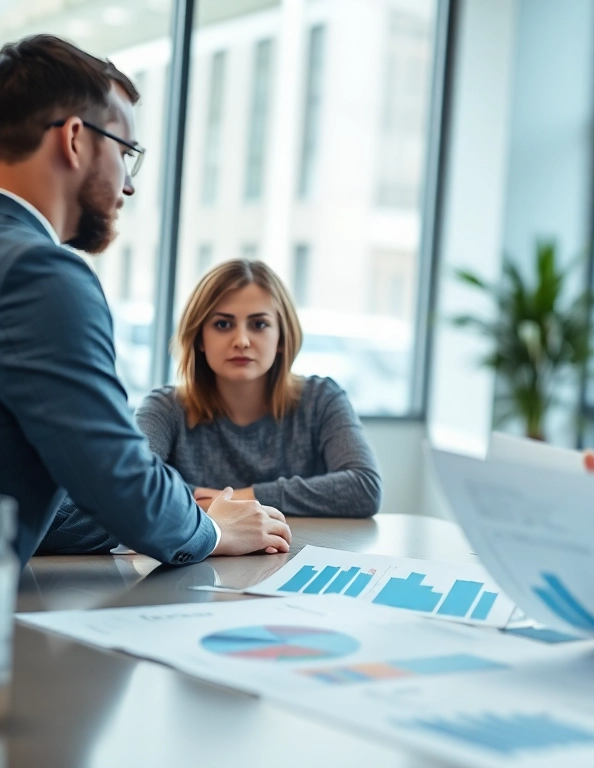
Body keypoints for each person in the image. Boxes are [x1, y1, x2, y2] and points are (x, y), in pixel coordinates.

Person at [0, 34, 291, 565]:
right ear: (75, 140)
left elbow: (38, 491)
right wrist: (206, 528)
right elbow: (116, 477)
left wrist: (172, 513)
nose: (128, 186)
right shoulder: (39, 272)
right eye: (126, 152)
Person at [41, 260, 382, 554]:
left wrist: (235, 501)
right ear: (200, 338)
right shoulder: (165, 407)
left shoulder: (321, 399)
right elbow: (130, 488)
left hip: (291, 559)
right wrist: (216, 510)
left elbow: (364, 487)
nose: (242, 340)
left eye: (259, 324)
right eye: (223, 324)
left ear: (282, 337)